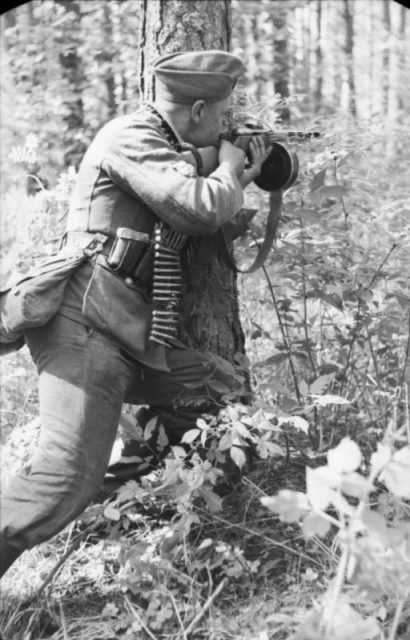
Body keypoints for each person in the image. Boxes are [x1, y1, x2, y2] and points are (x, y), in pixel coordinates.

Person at [0, 50, 271, 577]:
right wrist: (229, 171)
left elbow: (199, 222)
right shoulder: (129, 136)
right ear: (196, 110)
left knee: (217, 396)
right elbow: (198, 206)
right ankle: (76, 501)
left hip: (130, 331)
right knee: (65, 477)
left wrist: (240, 177)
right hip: (85, 324)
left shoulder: (171, 151)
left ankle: (109, 510)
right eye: (221, 117)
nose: (225, 127)